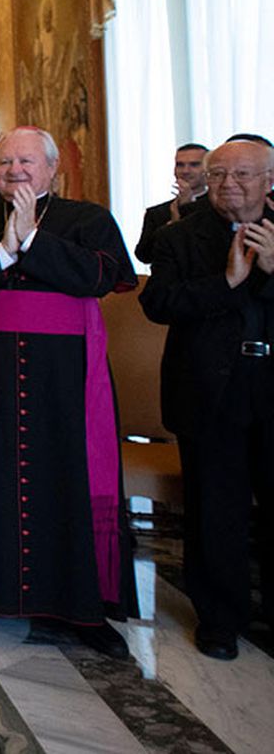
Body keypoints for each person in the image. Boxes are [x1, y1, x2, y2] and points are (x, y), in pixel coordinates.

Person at [0, 126, 137, 658]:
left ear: (52, 168)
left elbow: (100, 275)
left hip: (63, 377)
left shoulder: (89, 219)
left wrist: (34, 241)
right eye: (5, 163)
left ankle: (80, 606)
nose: (15, 170)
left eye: (26, 161)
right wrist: (3, 249)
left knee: (65, 475)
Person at [140, 138, 274, 660]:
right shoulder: (181, 237)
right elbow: (159, 303)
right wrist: (227, 282)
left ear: (268, 181)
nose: (228, 184)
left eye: (242, 175)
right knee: (215, 507)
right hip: (210, 389)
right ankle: (219, 619)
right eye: (218, 175)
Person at [133, 143, 209, 264]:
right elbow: (144, 255)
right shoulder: (157, 213)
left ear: (208, 169)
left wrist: (187, 210)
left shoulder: (219, 208)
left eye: (194, 165)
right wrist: (172, 225)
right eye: (180, 165)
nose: (185, 171)